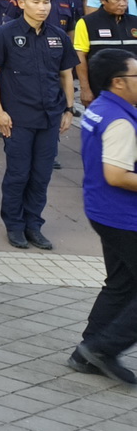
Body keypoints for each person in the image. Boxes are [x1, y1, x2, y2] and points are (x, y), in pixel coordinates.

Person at [0, 0, 78, 250]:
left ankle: (33, 225)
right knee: (18, 174)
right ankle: (14, 226)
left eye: (46, 2)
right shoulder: (6, 33)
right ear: (21, 3)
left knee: (41, 175)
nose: (42, 8)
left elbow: (65, 74)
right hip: (17, 117)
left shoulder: (57, 35)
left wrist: (69, 109)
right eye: (36, 2)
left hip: (49, 117)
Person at [72, 48, 137, 384]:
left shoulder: (99, 108)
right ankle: (103, 348)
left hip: (103, 209)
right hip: (125, 216)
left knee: (122, 283)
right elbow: (116, 174)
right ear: (118, 83)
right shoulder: (121, 122)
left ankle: (85, 351)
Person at [75, 0, 137, 104]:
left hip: (132, 92)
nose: (123, 3)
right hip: (100, 91)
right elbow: (80, 57)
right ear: (103, 0)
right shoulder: (87, 23)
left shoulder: (135, 22)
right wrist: (85, 89)